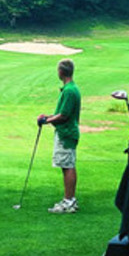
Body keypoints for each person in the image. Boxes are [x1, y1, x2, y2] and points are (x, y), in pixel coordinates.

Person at [38, 58, 81, 214]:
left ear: (61, 72)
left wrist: (47, 120)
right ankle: (69, 199)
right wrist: (49, 117)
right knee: (67, 165)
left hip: (66, 133)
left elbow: (64, 115)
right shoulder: (71, 88)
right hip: (68, 132)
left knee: (67, 166)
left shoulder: (69, 91)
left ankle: (68, 201)